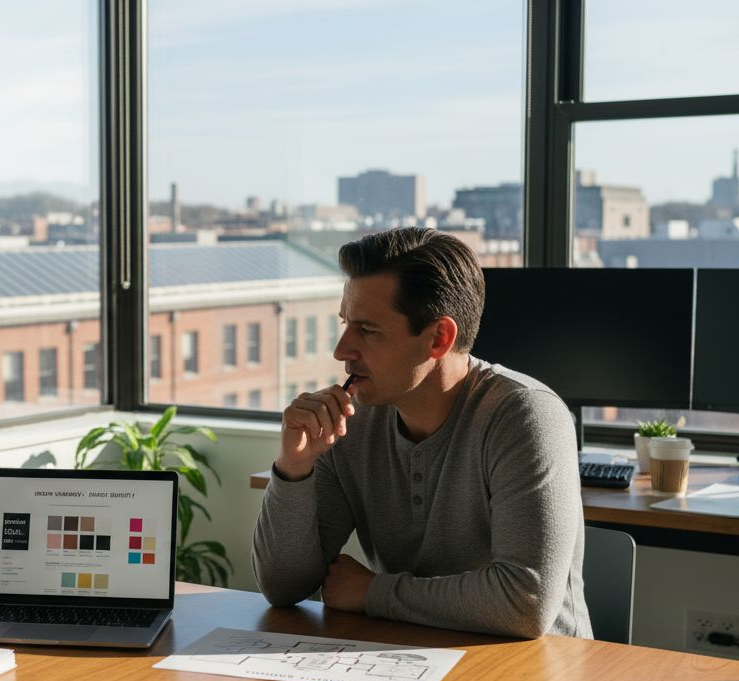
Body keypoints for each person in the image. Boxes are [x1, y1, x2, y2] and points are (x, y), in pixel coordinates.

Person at [252, 228, 592, 639]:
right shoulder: (352, 421)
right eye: (345, 324)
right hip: (411, 657)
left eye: (367, 330)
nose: (342, 350)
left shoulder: (526, 416)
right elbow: (282, 587)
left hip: (535, 675)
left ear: (438, 338)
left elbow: (526, 604)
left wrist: (373, 592)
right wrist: (294, 468)